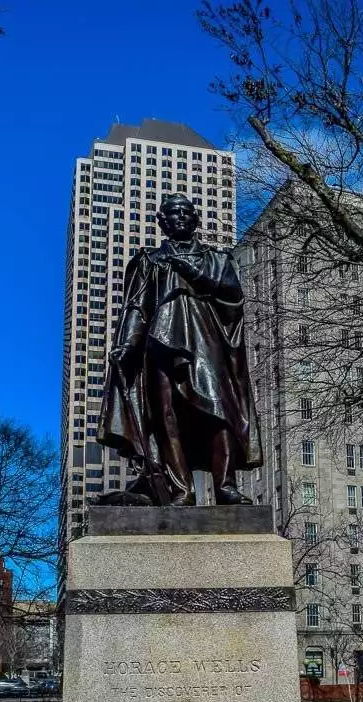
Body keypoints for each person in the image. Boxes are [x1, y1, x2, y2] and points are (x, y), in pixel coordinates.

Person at [96, 193, 261, 505]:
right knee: (165, 418)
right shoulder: (150, 262)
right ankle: (180, 490)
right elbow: (137, 308)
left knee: (218, 412)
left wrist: (193, 273)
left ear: (195, 218)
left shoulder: (216, 260)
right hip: (159, 345)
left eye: (186, 212)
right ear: (162, 222)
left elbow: (233, 297)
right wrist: (127, 344)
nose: (180, 217)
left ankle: (225, 485)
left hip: (207, 341)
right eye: (172, 213)